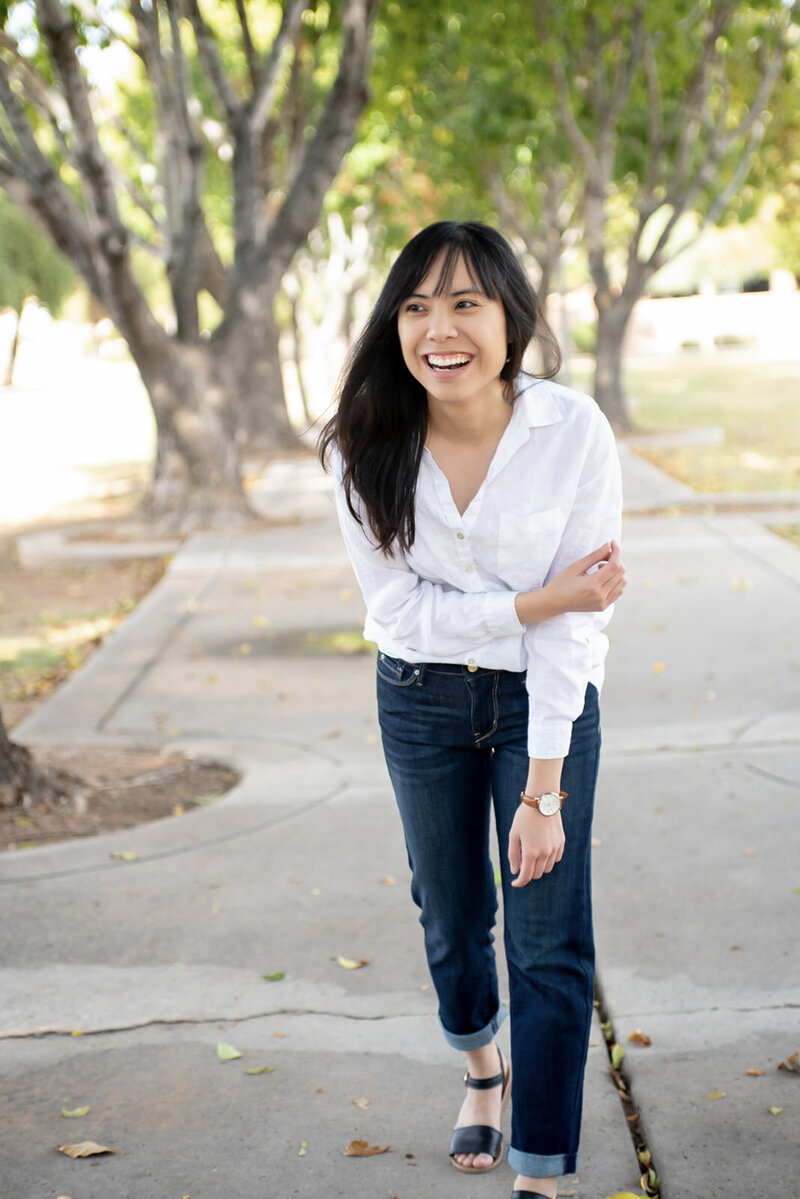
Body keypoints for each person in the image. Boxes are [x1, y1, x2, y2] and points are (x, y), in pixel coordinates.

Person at [319, 220, 625, 1199]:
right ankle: (479, 1066)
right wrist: (543, 597)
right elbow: (400, 612)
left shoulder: (569, 429)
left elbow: (577, 627)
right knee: (449, 913)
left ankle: (539, 1167)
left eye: (463, 302)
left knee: (547, 935)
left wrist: (545, 788)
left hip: (547, 704)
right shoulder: (360, 443)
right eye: (414, 306)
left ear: (509, 318)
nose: (436, 328)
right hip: (417, 702)